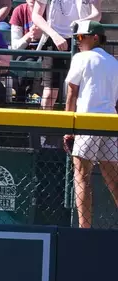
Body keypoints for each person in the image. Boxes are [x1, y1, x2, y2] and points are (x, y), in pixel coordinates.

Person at [62, 21, 118, 229]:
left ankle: (84, 231)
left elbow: (71, 93)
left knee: (81, 175)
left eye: (80, 37)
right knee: (113, 177)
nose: (78, 41)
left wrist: (68, 127)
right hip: (110, 124)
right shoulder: (114, 62)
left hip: (87, 122)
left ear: (95, 37)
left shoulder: (81, 58)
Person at [31, 0, 102, 115]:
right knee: (50, 91)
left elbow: (97, 14)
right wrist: (54, 35)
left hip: (81, 38)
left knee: (80, 89)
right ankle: (43, 128)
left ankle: (76, 129)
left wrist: (80, 23)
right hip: (54, 39)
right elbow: (36, 15)